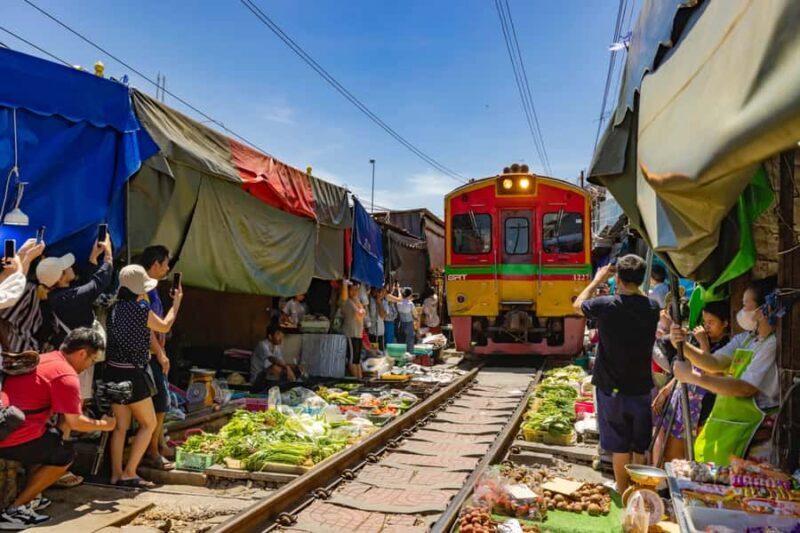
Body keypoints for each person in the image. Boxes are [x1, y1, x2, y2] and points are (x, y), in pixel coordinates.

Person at [0, 328, 115, 529]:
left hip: (7, 426)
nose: (89, 367)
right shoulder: (65, 375)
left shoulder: (45, 358)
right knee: (65, 455)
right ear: (81, 353)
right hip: (11, 435)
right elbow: (75, 422)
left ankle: (32, 496)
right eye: (92, 360)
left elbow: (64, 421)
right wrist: (105, 425)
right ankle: (15, 510)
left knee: (53, 439)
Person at [574, 254, 660, 493]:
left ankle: (624, 494)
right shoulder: (652, 307)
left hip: (611, 388)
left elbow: (577, 305)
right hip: (641, 387)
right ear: (642, 279)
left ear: (618, 278)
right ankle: (639, 491)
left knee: (619, 446)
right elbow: (640, 296)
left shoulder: (605, 304)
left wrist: (596, 280)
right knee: (639, 445)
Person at [671, 277, 779, 466]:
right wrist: (681, 345)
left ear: (764, 309)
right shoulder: (747, 339)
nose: (741, 312)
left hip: (755, 436)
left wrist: (692, 377)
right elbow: (713, 362)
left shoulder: (771, 344)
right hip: (730, 429)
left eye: (746, 306)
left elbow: (745, 388)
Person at [104, 265, 182, 488]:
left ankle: (116, 474)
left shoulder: (115, 309)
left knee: (120, 427)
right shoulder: (141, 308)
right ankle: (130, 473)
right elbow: (165, 326)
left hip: (113, 371)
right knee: (148, 424)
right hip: (133, 374)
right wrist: (176, 303)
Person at [36, 235, 114, 400]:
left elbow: (85, 287)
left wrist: (93, 258)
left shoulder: (59, 296)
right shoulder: (66, 298)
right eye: (67, 267)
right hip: (79, 358)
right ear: (61, 277)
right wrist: (108, 254)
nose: (71, 267)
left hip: (72, 354)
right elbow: (98, 283)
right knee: (75, 402)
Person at [652, 301, 730, 463]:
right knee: (671, 454)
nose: (706, 327)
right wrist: (665, 391)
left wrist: (703, 343)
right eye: (705, 322)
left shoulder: (727, 346)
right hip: (682, 400)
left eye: (711, 323)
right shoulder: (697, 341)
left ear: (725, 324)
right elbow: (684, 368)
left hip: (704, 408)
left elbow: (712, 372)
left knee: (688, 456)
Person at [137, 245, 175, 471]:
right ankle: (152, 451)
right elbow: (148, 328)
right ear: (155, 265)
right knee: (160, 402)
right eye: (166, 263)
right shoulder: (144, 291)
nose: (168, 267)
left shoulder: (152, 289)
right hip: (149, 355)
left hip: (155, 353)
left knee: (163, 402)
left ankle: (158, 445)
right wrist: (160, 353)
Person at [0, 238, 47, 351]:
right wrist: (25, 259)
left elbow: (7, 287)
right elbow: (11, 292)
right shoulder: (30, 290)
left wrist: (23, 257)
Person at [340, 280, 365, 379]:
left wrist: (361, 309)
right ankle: (357, 381)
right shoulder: (346, 301)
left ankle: (360, 379)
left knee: (357, 360)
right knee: (352, 359)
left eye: (356, 290)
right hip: (350, 333)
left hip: (358, 334)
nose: (354, 292)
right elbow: (360, 314)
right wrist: (345, 285)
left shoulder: (356, 300)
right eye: (352, 290)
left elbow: (362, 313)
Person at [387, 285, 417, 354]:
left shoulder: (398, 302)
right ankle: (410, 355)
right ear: (410, 294)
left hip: (401, 323)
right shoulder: (410, 303)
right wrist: (416, 318)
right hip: (409, 323)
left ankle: (402, 355)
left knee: (402, 340)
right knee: (409, 340)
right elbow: (415, 314)